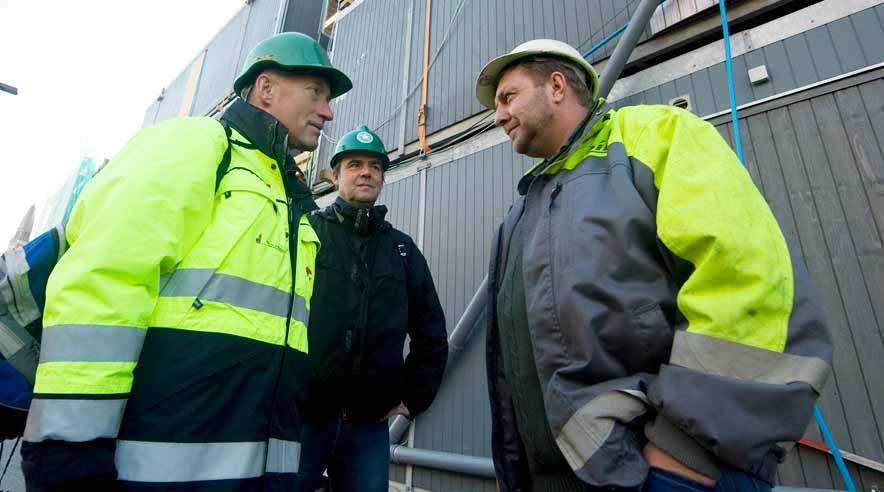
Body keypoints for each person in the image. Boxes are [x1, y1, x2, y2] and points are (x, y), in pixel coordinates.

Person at [474, 39, 833, 492]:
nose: (498, 115)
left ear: (558, 86)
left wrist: (683, 452)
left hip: (675, 473)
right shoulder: (521, 214)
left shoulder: (656, 136)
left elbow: (747, 281)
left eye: (508, 97)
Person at [20, 32, 351, 491]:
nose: (329, 111)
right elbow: (103, 281)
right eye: (316, 92)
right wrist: (71, 444)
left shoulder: (292, 197)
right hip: (155, 470)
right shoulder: (196, 144)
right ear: (266, 88)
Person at [295, 125, 448, 492]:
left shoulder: (402, 250)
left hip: (368, 427)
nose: (366, 171)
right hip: (304, 419)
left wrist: (412, 397)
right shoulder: (306, 233)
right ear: (335, 176)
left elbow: (431, 330)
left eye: (375, 166)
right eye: (355, 164)